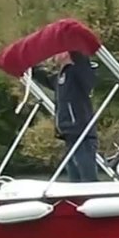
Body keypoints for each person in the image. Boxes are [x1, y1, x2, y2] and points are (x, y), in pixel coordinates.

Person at [30, 50, 99, 182]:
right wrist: (31, 68)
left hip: (81, 131)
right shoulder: (62, 76)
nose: (54, 56)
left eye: (58, 52)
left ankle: (93, 197)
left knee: (87, 176)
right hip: (69, 133)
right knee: (74, 176)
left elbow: (81, 60)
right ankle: (76, 198)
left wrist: (72, 48)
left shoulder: (79, 72)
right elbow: (46, 79)